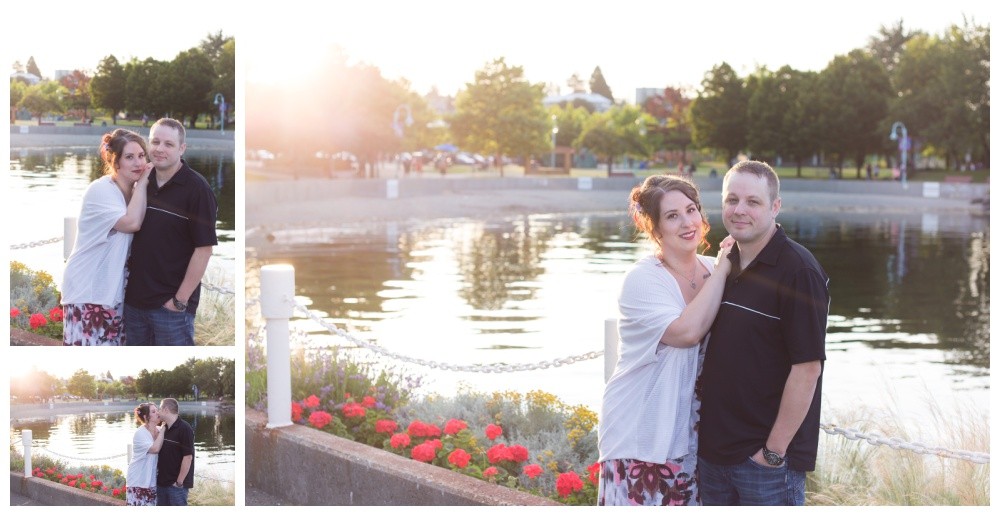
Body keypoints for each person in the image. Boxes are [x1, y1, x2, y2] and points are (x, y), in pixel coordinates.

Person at [697, 160, 829, 506]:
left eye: (752, 202)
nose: (739, 210)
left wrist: (772, 452)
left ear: (775, 207)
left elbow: (808, 369)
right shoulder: (726, 264)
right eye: (731, 200)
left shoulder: (799, 271)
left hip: (764, 466)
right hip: (712, 455)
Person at [597, 175, 733, 506]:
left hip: (692, 438)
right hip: (642, 435)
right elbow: (686, 333)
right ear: (655, 228)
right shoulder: (643, 280)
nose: (688, 223)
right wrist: (725, 269)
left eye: (691, 210)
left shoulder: (712, 268)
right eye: (672, 216)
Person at [124, 118, 218, 345]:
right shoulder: (141, 182)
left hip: (170, 310)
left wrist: (179, 301)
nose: (159, 149)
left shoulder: (197, 189)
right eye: (155, 142)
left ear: (182, 148)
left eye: (168, 144)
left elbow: (203, 250)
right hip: (133, 304)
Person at [60, 129, 152, 345]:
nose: (138, 163)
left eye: (141, 156)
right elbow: (131, 223)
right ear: (114, 161)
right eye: (129, 157)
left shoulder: (134, 191)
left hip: (114, 292)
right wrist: (145, 182)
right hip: (89, 290)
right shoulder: (101, 191)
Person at [156, 398, 195, 506]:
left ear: (166, 410)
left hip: (176, 487)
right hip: (161, 484)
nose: (158, 411)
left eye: (159, 408)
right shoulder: (164, 429)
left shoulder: (185, 428)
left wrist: (179, 482)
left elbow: (188, 457)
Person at [126, 402, 165, 505]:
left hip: (152, 482)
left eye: (157, 410)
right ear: (146, 417)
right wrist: (164, 429)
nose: (158, 413)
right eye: (153, 411)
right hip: (138, 481)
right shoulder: (140, 433)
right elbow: (155, 449)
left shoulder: (159, 430)